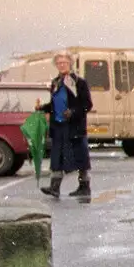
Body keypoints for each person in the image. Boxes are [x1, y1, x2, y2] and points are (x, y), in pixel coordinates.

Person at [39, 52, 94, 200]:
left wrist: (73, 112)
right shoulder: (55, 82)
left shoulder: (79, 82)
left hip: (74, 127)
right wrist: (43, 108)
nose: (62, 65)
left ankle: (84, 188)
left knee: (80, 158)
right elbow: (54, 104)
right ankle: (54, 188)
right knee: (57, 158)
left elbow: (87, 104)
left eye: (64, 62)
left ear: (70, 63)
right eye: (59, 63)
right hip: (58, 126)